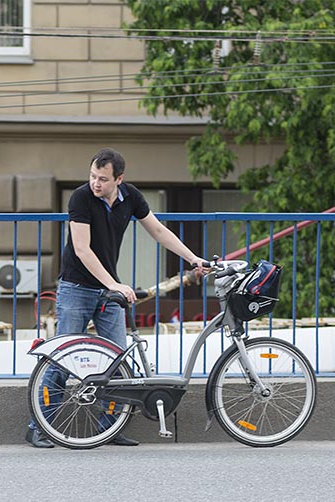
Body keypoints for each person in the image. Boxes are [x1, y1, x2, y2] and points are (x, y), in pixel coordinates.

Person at [26, 147, 208, 448]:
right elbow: (82, 249)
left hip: (107, 290)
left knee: (117, 362)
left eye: (103, 179)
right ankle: (37, 427)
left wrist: (193, 259)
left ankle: (110, 428)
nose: (96, 183)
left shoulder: (131, 197)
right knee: (62, 360)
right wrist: (115, 284)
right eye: (92, 176)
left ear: (119, 179)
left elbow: (159, 232)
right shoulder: (81, 198)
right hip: (76, 287)